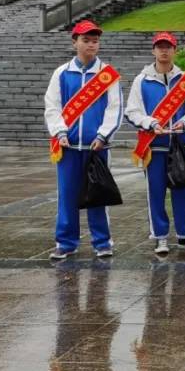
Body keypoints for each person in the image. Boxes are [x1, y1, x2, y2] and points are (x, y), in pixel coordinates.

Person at [44, 20, 124, 261]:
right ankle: (66, 242)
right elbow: (52, 106)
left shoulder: (107, 74)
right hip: (68, 148)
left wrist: (103, 135)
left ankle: (102, 242)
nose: (91, 44)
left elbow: (115, 108)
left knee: (98, 194)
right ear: (74, 42)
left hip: (96, 148)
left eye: (95, 40)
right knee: (67, 195)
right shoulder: (62, 73)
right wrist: (59, 131)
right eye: (86, 40)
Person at [124, 32, 185, 256]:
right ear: (153, 51)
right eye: (160, 46)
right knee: (155, 192)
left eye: (168, 46)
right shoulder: (142, 80)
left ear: (175, 51)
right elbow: (132, 111)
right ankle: (160, 236)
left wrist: (184, 123)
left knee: (183, 190)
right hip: (154, 145)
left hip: (180, 143)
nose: (164, 50)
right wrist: (150, 122)